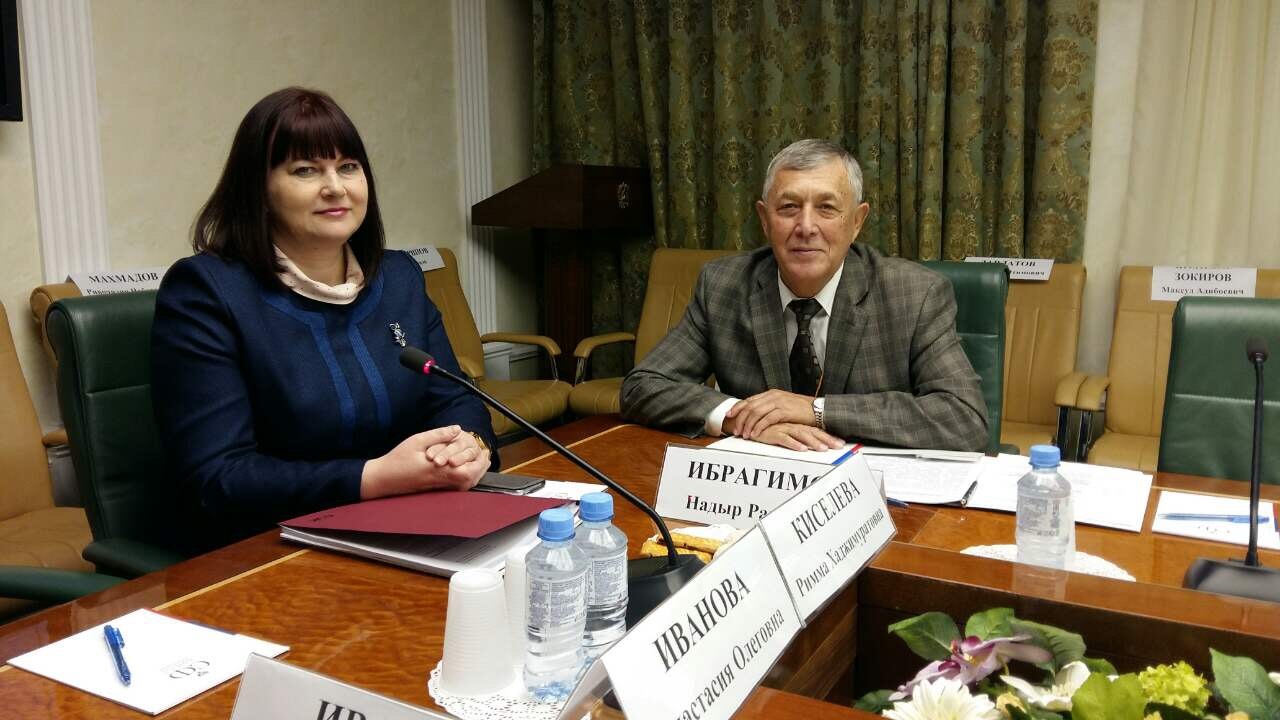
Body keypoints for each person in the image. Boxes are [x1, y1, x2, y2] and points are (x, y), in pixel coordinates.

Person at [153, 87, 497, 550]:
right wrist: (373, 478)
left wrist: (471, 444)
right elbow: (218, 478)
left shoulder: (398, 277)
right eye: (305, 170)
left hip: (412, 523)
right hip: (266, 548)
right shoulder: (207, 293)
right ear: (258, 189)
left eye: (348, 167)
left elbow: (455, 399)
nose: (336, 187)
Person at [620, 139, 987, 452]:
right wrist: (741, 419)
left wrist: (816, 411)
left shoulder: (914, 294)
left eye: (826, 208)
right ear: (765, 220)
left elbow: (963, 418)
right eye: (789, 207)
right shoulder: (722, 286)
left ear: (856, 221)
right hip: (757, 486)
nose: (806, 227)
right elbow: (643, 387)